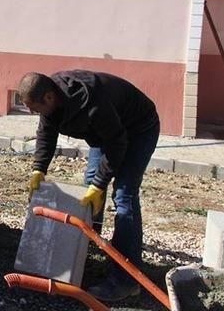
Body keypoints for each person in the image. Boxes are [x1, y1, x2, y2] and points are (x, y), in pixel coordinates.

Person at [18, 70, 160, 302]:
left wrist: (100, 185)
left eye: (34, 107)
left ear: (49, 98)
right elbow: (46, 133)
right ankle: (86, 251)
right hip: (107, 132)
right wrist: (38, 169)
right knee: (90, 187)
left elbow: (117, 144)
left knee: (124, 196)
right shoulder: (49, 96)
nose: (33, 113)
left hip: (137, 129)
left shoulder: (92, 103)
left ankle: (127, 280)